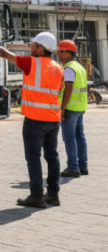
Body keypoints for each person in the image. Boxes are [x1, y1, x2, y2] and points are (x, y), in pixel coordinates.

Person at [0, 31, 63, 208]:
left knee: (33, 157)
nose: (31, 47)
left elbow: (4, 53)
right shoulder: (58, 68)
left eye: (33, 45)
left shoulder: (31, 63)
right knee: (52, 156)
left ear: (41, 48)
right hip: (53, 119)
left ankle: (37, 196)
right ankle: (53, 195)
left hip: (35, 119)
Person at [56, 40, 88, 178]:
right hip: (80, 107)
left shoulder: (68, 68)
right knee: (80, 136)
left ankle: (73, 168)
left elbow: (68, 89)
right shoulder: (79, 67)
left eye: (60, 51)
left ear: (67, 53)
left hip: (70, 108)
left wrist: (62, 108)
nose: (58, 54)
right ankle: (82, 166)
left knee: (69, 138)